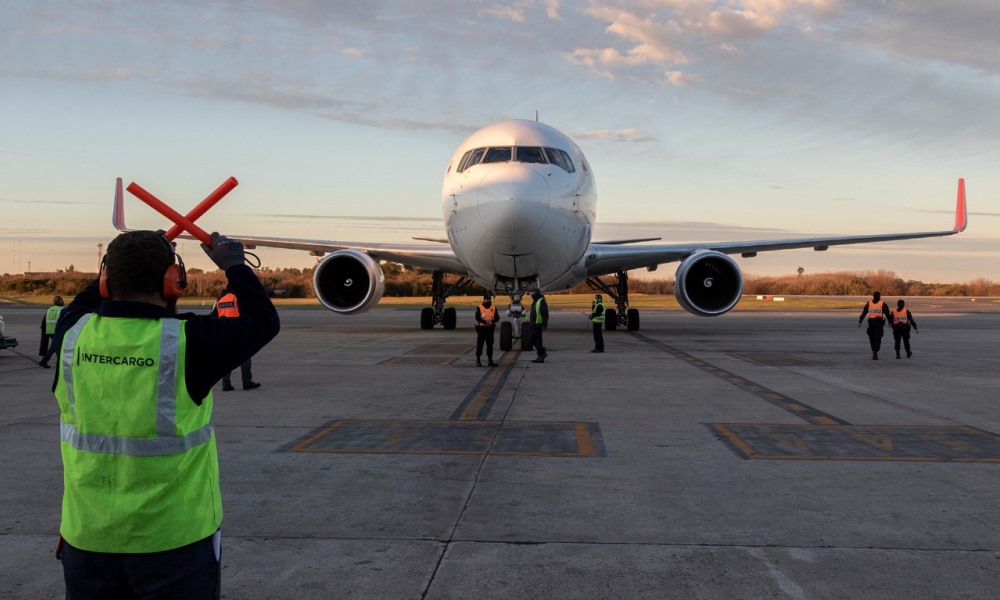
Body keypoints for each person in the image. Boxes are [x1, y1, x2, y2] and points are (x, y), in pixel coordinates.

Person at [51, 230, 279, 599]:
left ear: (106, 280)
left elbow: (85, 300)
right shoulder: (190, 341)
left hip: (88, 537)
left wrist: (115, 269)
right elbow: (264, 320)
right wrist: (234, 264)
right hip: (174, 542)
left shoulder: (72, 332)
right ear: (174, 281)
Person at [211, 285, 262, 390]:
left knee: (226, 359)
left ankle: (226, 384)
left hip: (224, 331)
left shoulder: (220, 300)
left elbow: (214, 316)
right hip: (238, 330)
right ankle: (247, 382)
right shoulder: (238, 299)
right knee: (245, 358)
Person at [858, 290, 890, 360]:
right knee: (877, 338)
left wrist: (860, 321)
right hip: (877, 323)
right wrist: (890, 322)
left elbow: (864, 313)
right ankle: (875, 351)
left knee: (872, 337)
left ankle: (874, 351)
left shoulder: (869, 303)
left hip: (872, 322)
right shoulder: (882, 303)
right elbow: (887, 313)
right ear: (879, 296)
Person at [38, 295, 65, 368]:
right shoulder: (62, 309)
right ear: (60, 301)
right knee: (59, 347)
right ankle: (62, 363)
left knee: (54, 346)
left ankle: (44, 361)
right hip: (57, 331)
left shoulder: (49, 309)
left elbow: (44, 321)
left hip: (49, 331)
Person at [474, 293, 498, 367]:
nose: (489, 301)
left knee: (490, 345)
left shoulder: (493, 307)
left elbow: (497, 317)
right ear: (484, 300)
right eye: (487, 299)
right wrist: (485, 322)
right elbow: (477, 317)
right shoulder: (479, 307)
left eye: (489, 299)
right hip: (482, 329)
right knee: (480, 345)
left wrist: (492, 322)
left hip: (490, 329)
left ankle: (490, 361)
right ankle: (478, 361)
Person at [528, 289, 548, 363]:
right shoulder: (536, 300)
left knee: (532, 338)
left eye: (533, 293)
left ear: (537, 293)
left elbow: (545, 314)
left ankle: (542, 351)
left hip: (538, 324)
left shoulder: (541, 301)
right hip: (534, 324)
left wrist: (544, 324)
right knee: (539, 340)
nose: (531, 295)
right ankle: (540, 357)